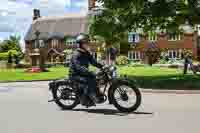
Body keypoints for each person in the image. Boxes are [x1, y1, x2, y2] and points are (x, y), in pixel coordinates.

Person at [69, 33, 103, 106]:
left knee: (95, 79)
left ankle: (94, 95)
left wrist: (102, 66)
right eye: (86, 43)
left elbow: (93, 62)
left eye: (88, 43)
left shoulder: (86, 53)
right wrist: (90, 72)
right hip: (75, 75)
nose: (88, 44)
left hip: (83, 73)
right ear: (81, 44)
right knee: (88, 81)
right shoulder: (76, 54)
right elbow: (79, 67)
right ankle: (84, 100)